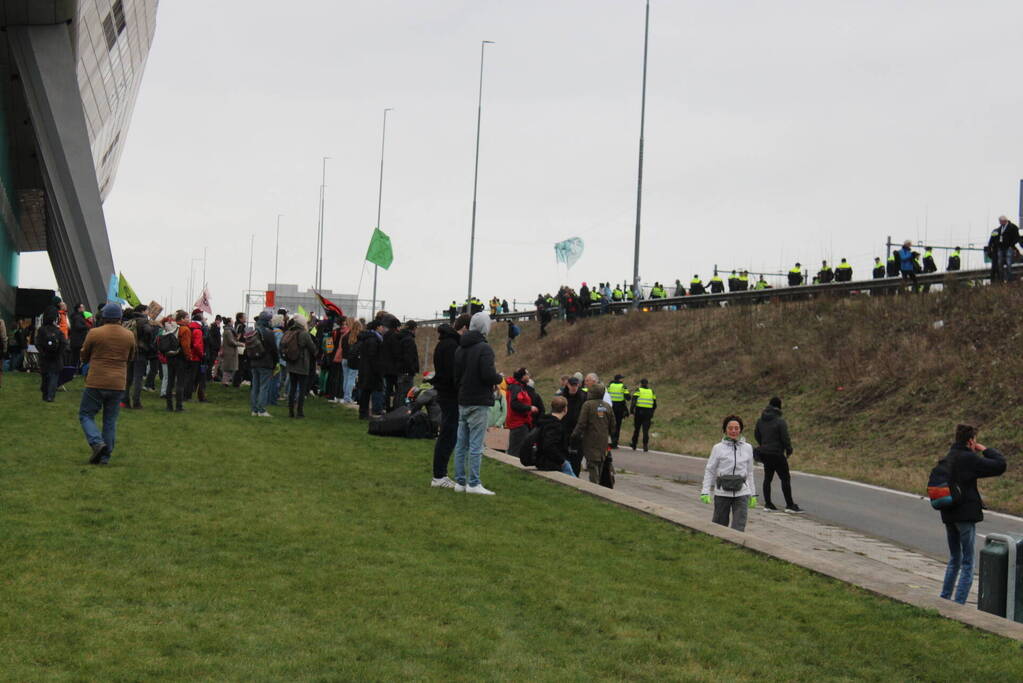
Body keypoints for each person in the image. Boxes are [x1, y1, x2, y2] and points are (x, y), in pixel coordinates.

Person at [937, 424, 1006, 604]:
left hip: (948, 513)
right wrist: (985, 449)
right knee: (968, 562)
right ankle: (959, 603)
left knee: (954, 559)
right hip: (965, 515)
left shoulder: (948, 457)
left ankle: (944, 597)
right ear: (970, 441)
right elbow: (1000, 465)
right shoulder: (970, 459)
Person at [452, 311, 503, 495]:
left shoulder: (460, 348)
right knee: (475, 445)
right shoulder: (484, 349)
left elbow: (456, 377)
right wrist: (499, 378)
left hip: (463, 399)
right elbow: (488, 374)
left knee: (461, 444)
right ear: (484, 327)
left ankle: (460, 482)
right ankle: (473, 483)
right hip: (479, 401)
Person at [79, 303, 136, 465]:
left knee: (86, 414)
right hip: (118, 382)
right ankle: (105, 457)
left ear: (104, 317)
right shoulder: (129, 335)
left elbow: (84, 354)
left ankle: (97, 443)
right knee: (110, 420)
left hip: (96, 380)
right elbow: (131, 357)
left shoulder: (95, 333)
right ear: (120, 318)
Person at [429, 314, 470, 488]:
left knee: (448, 432)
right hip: (450, 395)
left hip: (445, 393)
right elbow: (454, 374)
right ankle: (439, 475)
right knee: (448, 434)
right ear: (465, 328)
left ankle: (440, 474)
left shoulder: (444, 342)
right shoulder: (453, 345)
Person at [701, 415, 758, 532]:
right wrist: (705, 491)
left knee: (739, 528)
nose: (733, 431)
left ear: (740, 430)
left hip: (742, 493)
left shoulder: (748, 448)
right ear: (725, 430)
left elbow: (750, 472)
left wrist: (753, 494)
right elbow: (710, 470)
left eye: (736, 428)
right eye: (730, 428)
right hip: (722, 493)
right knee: (719, 528)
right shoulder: (718, 448)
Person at [754, 397, 801, 512]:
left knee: (768, 478)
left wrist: (763, 445)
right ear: (779, 407)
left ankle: (768, 503)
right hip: (777, 454)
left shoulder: (760, 420)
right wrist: (788, 449)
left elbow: (757, 435)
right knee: (785, 478)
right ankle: (790, 505)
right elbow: (785, 438)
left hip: (765, 453)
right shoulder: (780, 421)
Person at [571, 382, 615, 485]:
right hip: (603, 440)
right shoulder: (607, 406)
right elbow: (613, 425)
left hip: (590, 440)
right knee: (600, 463)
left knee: (592, 464)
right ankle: (598, 483)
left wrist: (574, 435)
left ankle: (595, 487)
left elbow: (581, 423)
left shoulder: (588, 405)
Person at [281, 314, 318, 418]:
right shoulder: (304, 334)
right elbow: (313, 348)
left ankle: (290, 411)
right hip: (302, 364)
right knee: (302, 389)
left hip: (291, 363)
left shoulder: (288, 332)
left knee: (292, 388)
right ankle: (300, 412)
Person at [247, 311, 279, 417]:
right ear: (267, 321)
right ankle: (261, 410)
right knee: (264, 387)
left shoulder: (254, 331)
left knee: (255, 387)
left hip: (254, 362)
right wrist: (275, 363)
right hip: (265, 363)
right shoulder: (269, 332)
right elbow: (274, 350)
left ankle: (254, 410)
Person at [534, 396, 577, 476]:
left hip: (542, 461)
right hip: (553, 464)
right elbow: (549, 445)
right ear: (565, 409)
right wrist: (562, 461)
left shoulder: (544, 421)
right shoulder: (556, 426)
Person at [506, 367, 540, 458]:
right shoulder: (517, 388)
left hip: (520, 423)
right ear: (522, 376)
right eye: (527, 374)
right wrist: (529, 408)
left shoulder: (517, 387)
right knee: (516, 451)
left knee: (517, 449)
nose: (529, 376)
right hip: (519, 424)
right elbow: (515, 404)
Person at [35, 307, 67, 402]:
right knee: (54, 376)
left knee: (45, 376)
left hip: (44, 358)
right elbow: (64, 343)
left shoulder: (41, 330)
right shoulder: (58, 331)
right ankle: (50, 396)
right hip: (56, 358)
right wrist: (59, 353)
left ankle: (45, 395)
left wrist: (42, 352)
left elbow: (38, 343)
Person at [356, 320, 384, 419]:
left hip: (365, 368)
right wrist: (378, 369)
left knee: (365, 392)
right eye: (381, 326)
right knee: (367, 392)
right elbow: (373, 356)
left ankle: (363, 412)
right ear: (377, 327)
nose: (383, 328)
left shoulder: (368, 338)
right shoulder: (373, 340)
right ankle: (364, 413)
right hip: (370, 370)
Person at [395, 320, 420, 404]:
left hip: (401, 370)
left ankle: (397, 411)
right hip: (406, 371)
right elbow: (408, 357)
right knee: (406, 393)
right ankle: (402, 412)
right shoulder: (409, 340)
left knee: (400, 393)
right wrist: (412, 370)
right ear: (413, 328)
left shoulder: (401, 337)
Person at [629, 378, 656, 451]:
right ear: (647, 384)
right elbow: (655, 404)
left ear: (641, 383)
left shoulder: (638, 390)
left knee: (637, 429)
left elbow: (634, 401)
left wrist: (631, 410)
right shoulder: (651, 391)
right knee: (645, 430)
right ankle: (645, 445)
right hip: (648, 412)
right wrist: (652, 412)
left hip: (639, 411)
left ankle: (634, 444)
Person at [340, 318, 363, 404]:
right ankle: (348, 397)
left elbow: (342, 347)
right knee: (351, 379)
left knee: (345, 378)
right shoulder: (359, 337)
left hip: (344, 359)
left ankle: (345, 396)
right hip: (354, 360)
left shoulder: (346, 336)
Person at [992, 216, 1020, 282]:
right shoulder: (998, 229)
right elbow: (993, 238)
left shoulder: (1013, 227)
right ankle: (1001, 279)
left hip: (1008, 248)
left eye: (1000, 221)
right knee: (1000, 264)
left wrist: (1011, 245)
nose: (1000, 223)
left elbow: (1017, 237)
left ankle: (1009, 279)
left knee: (1008, 263)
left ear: (1004, 221)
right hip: (1000, 248)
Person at [606, 374, 630, 449]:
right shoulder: (623, 386)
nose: (622, 380)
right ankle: (615, 443)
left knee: (609, 424)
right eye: (622, 379)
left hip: (610, 407)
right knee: (617, 425)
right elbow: (628, 397)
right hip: (619, 408)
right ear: (619, 379)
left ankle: (609, 441)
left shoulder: (609, 386)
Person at [220, 316, 245, 386]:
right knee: (228, 368)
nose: (233, 322)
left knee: (229, 368)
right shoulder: (228, 331)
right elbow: (231, 342)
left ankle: (226, 382)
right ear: (229, 323)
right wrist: (240, 344)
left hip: (230, 351)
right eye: (232, 321)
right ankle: (225, 382)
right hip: (229, 351)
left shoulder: (228, 330)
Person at [69, 303, 90, 367]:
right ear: (79, 309)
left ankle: (74, 370)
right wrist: (87, 326)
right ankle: (74, 370)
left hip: (76, 340)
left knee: (75, 357)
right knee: (76, 356)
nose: (84, 308)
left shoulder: (77, 316)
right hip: (78, 340)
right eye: (82, 307)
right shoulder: (78, 317)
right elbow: (78, 326)